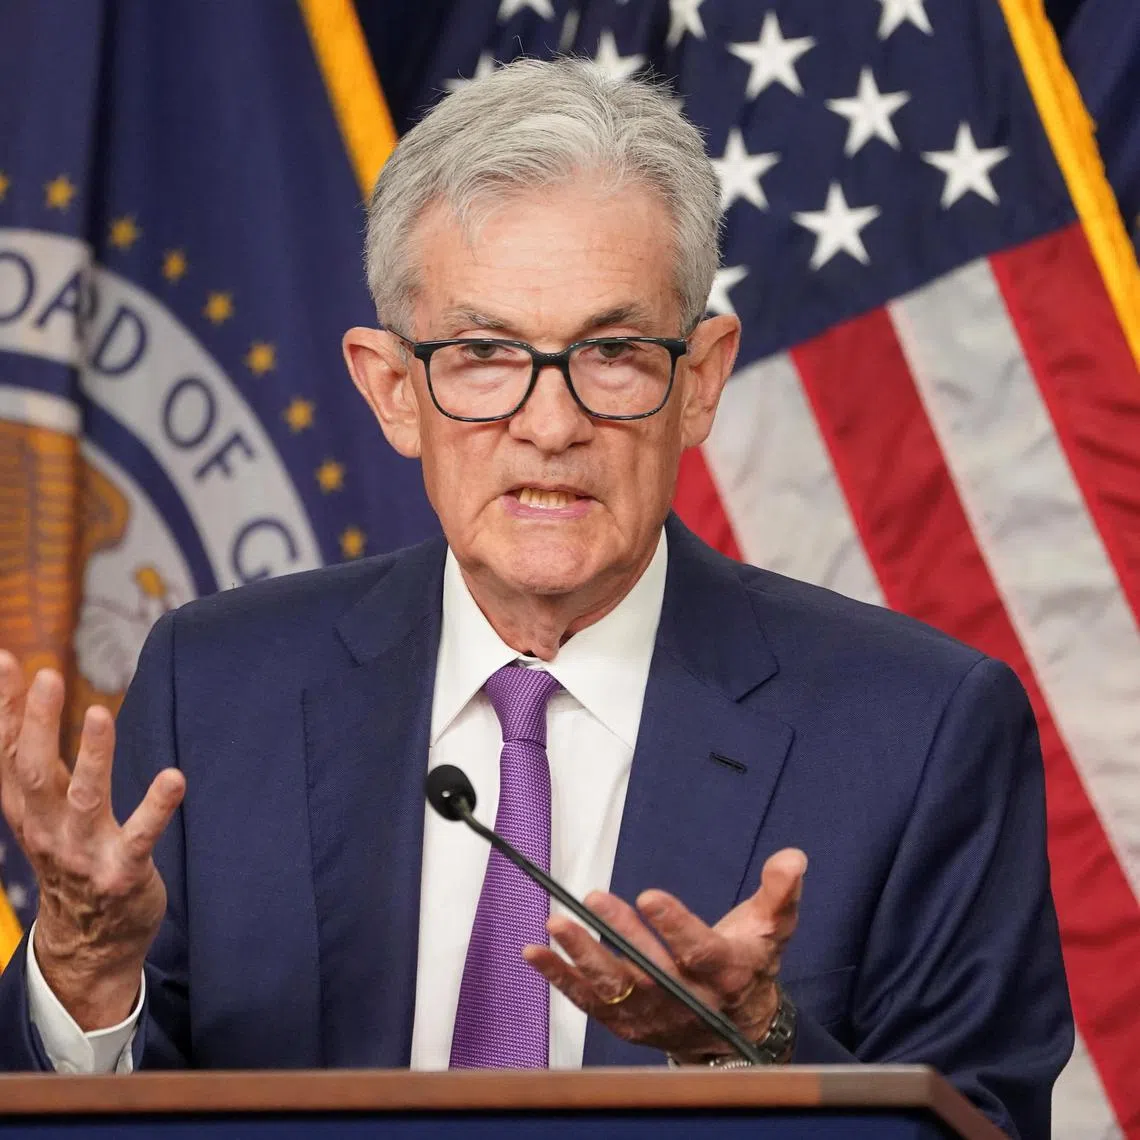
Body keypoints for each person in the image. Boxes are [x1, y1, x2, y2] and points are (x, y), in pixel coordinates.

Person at [0, 59, 1070, 1137]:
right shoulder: (218, 689)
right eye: (483, 354)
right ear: (390, 389)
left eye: (611, 352)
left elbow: (986, 1118)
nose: (549, 424)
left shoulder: (920, 730)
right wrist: (85, 973)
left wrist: (747, 1042)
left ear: (698, 380)